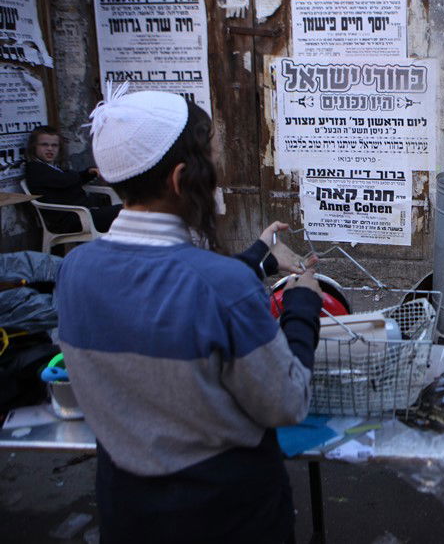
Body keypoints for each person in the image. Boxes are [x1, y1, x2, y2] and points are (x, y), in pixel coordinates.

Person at [55, 91, 323, 543]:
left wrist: (261, 256)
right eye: (212, 159)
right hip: (225, 518)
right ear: (181, 179)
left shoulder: (75, 271)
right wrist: (303, 308)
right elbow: (286, 402)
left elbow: (168, 295)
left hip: (127, 513)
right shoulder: (222, 287)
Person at [24, 125, 121, 233]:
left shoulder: (52, 167)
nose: (50, 149)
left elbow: (69, 180)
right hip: (69, 220)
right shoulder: (35, 168)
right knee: (126, 212)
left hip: (82, 214)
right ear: (34, 147)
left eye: (54, 145)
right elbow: (65, 180)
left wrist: (88, 173)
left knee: (129, 212)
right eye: (44, 145)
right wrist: (79, 175)